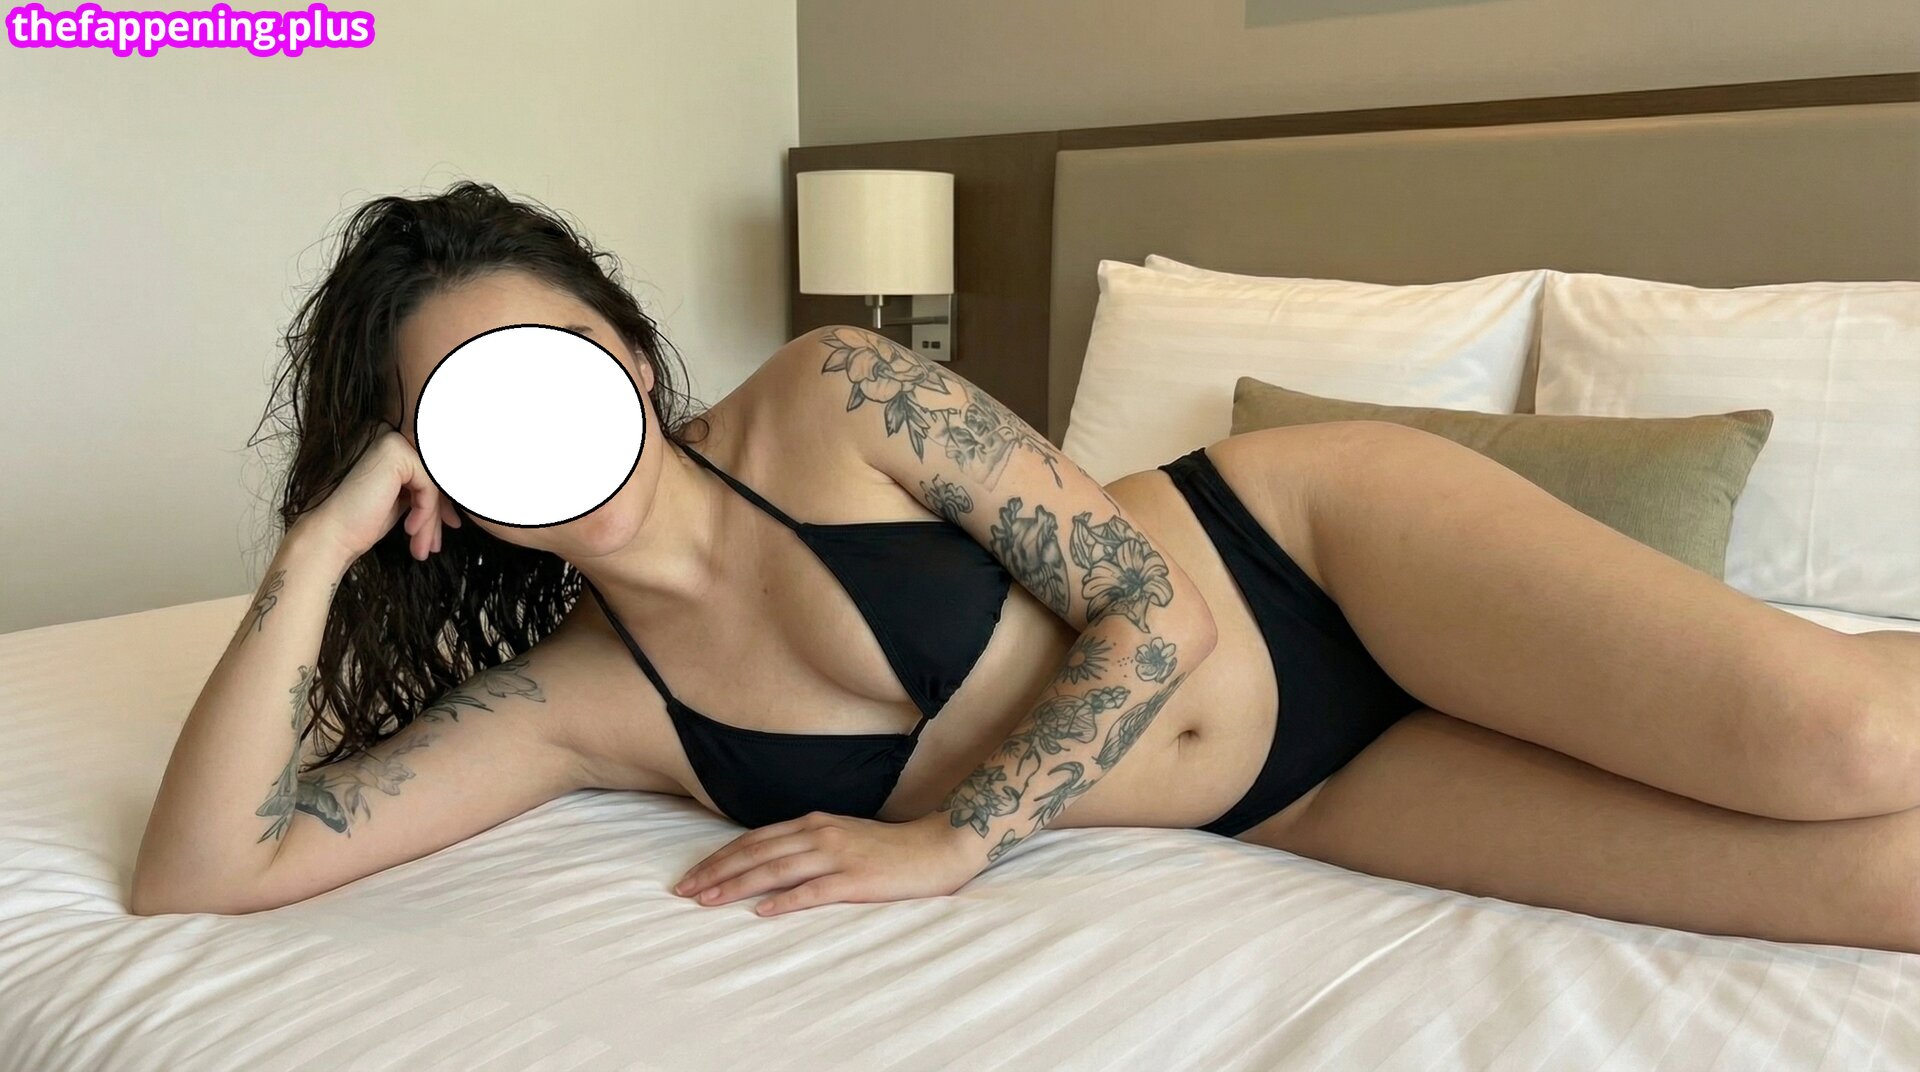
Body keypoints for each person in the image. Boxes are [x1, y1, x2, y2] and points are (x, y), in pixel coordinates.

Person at [130, 181, 1920, 953]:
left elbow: (1157, 608)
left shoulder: (829, 393)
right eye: (466, 415)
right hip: (1301, 796)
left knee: (1847, 743)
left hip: (1314, 555)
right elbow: (207, 873)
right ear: (430, 476)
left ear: (628, 351)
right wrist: (314, 557)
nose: (531, 426)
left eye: (553, 366)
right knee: (1882, 893)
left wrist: (950, 843)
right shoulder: (581, 705)